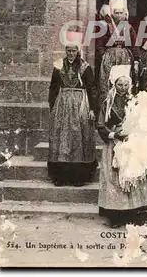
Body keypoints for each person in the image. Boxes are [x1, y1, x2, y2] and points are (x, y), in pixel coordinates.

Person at [97, 65, 147, 227]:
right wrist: (114, 134)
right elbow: (101, 124)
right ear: (114, 85)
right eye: (120, 85)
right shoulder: (108, 103)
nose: (123, 88)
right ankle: (116, 216)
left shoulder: (134, 100)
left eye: (126, 85)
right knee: (115, 178)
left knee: (133, 176)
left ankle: (133, 212)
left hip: (132, 142)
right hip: (114, 143)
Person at [48, 32, 98, 186]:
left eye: (74, 51)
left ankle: (79, 177)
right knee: (62, 138)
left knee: (79, 136)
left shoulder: (84, 67)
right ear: (65, 51)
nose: (71, 53)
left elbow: (92, 88)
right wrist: (52, 106)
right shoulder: (59, 65)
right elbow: (54, 87)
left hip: (81, 104)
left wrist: (92, 109)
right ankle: (61, 177)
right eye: (68, 50)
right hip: (62, 105)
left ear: (78, 51)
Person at [97, 0, 140, 108]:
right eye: (116, 13)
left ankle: (123, 110)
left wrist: (135, 60)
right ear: (112, 14)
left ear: (125, 14)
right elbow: (100, 43)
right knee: (107, 83)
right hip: (109, 58)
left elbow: (134, 44)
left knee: (123, 83)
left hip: (124, 57)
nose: (119, 15)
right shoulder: (106, 27)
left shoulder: (129, 28)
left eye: (121, 13)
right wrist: (103, 55)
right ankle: (107, 112)